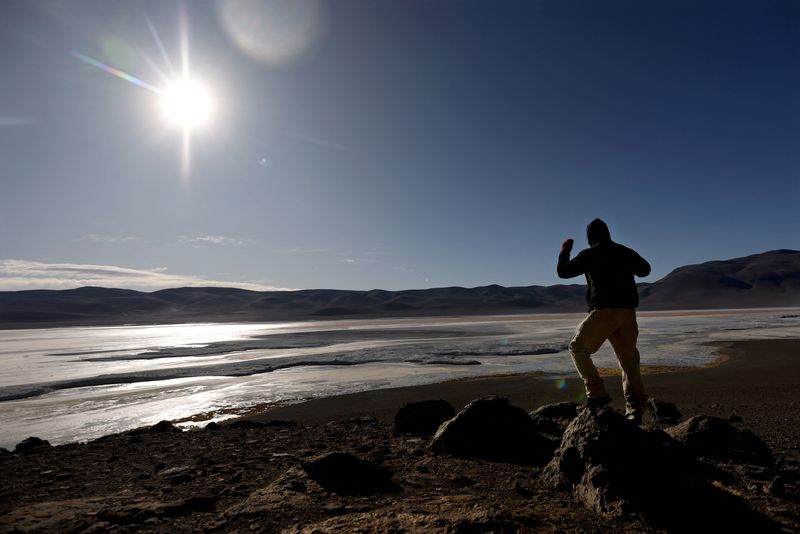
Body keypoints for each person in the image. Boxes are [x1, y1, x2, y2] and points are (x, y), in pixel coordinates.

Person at [557, 218, 651, 423]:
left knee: (578, 348)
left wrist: (565, 250)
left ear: (590, 237)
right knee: (629, 362)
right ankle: (635, 410)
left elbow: (563, 272)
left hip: (604, 311)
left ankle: (596, 393)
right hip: (627, 313)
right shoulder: (624, 251)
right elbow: (645, 270)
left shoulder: (590, 254)